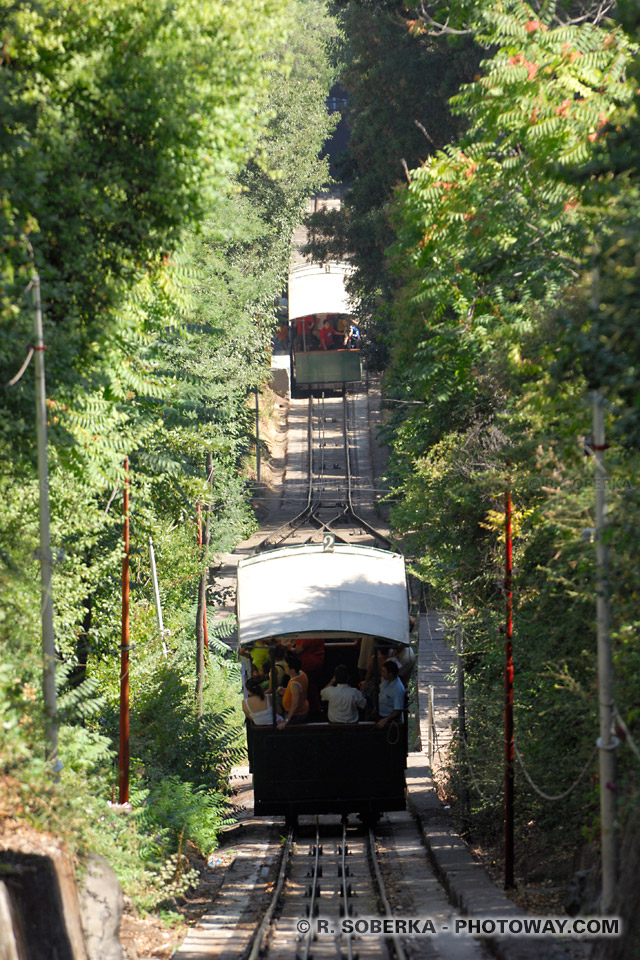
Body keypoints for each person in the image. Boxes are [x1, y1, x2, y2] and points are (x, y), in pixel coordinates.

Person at [277, 652, 309, 729]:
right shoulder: (301, 673)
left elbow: (295, 704)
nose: (284, 668)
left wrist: (286, 720)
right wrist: (285, 691)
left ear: (292, 670)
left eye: (286, 666)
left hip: (297, 715)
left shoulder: (295, 684)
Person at [376, 659, 405, 729]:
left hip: (388, 718)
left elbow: (398, 710)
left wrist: (386, 720)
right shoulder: (385, 681)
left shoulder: (397, 689)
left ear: (390, 674)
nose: (381, 673)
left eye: (384, 671)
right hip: (379, 713)